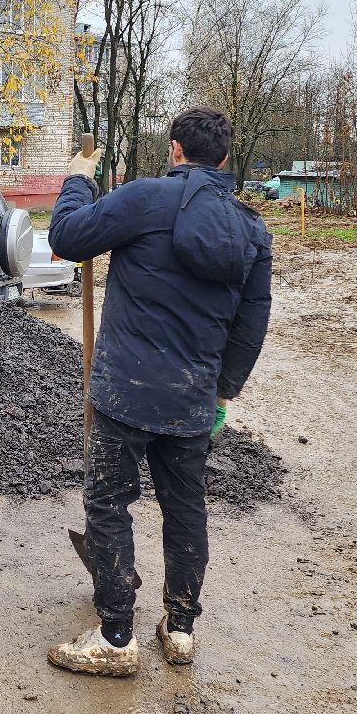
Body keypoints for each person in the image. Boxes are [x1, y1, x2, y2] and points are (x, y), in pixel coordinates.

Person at [45, 106, 272, 676]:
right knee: (185, 507)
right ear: (225, 160)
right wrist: (225, 392)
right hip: (193, 397)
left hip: (125, 390)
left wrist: (77, 180)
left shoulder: (145, 199)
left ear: (174, 150)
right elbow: (253, 319)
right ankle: (180, 628)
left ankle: (117, 636)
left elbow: (68, 236)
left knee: (107, 503)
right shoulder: (250, 229)